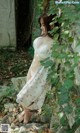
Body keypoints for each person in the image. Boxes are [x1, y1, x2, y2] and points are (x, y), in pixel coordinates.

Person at [16, 13, 54, 124]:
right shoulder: (41, 39)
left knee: (25, 97)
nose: (41, 27)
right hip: (32, 71)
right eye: (41, 24)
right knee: (26, 97)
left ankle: (25, 121)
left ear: (51, 25)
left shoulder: (54, 44)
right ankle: (25, 117)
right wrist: (29, 74)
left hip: (40, 75)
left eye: (43, 24)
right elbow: (34, 59)